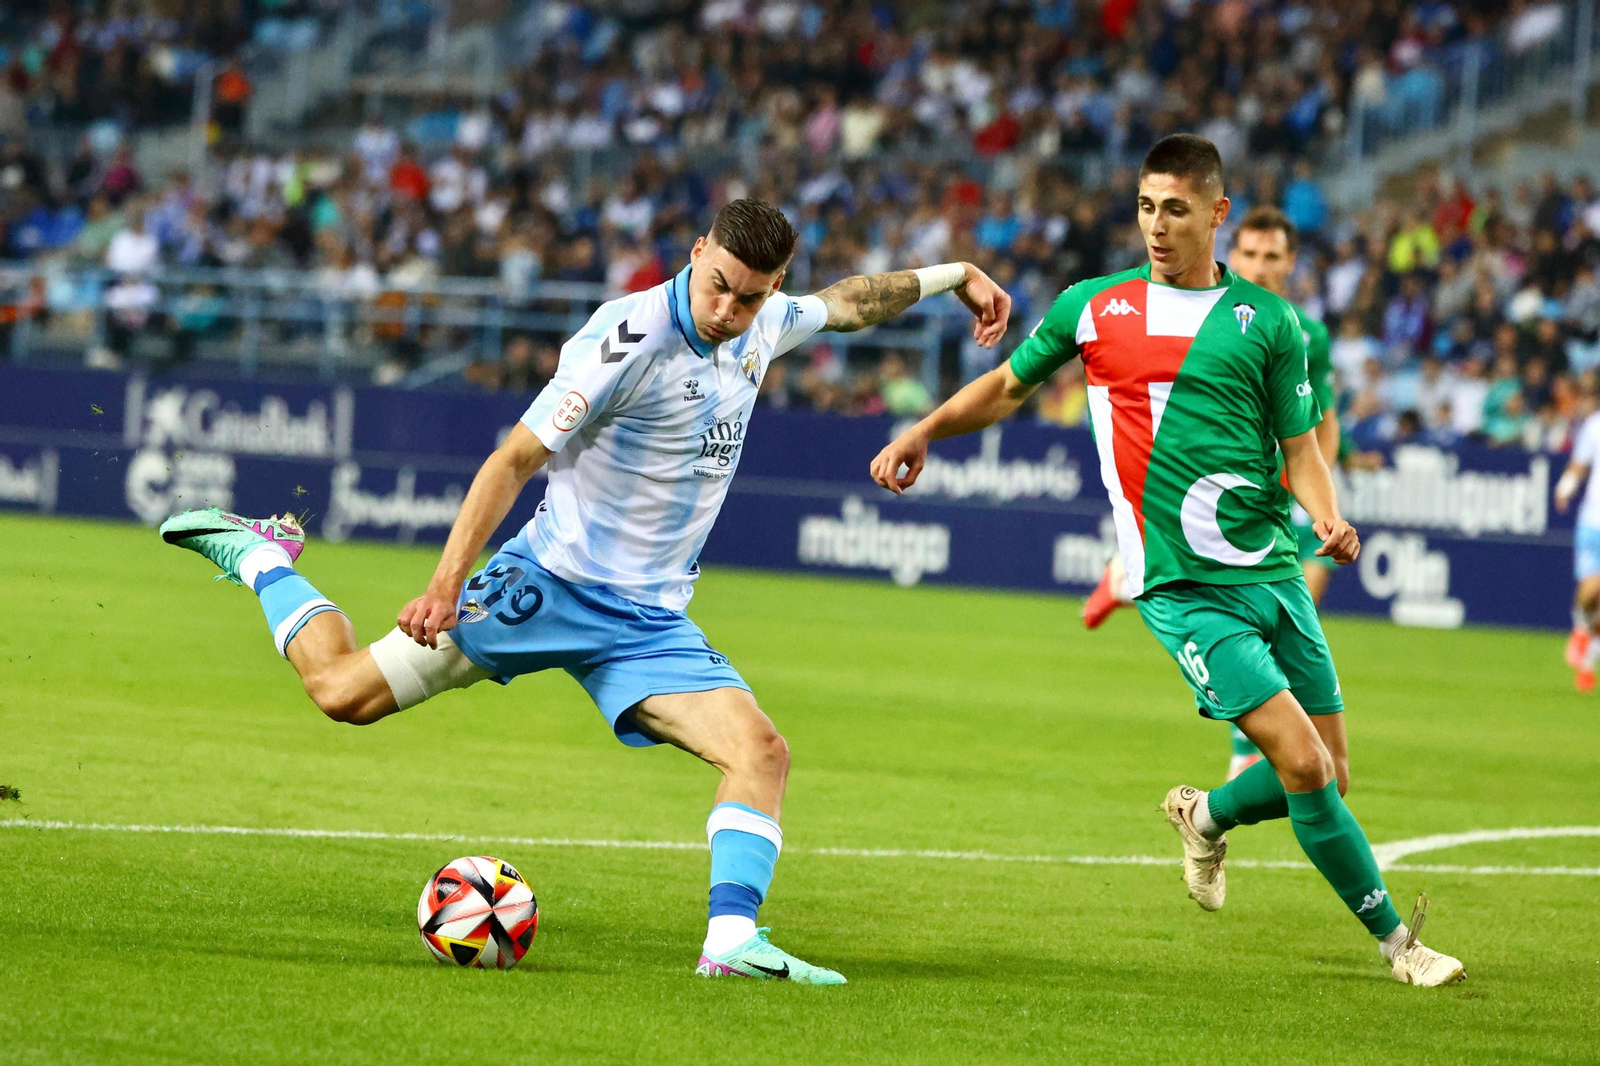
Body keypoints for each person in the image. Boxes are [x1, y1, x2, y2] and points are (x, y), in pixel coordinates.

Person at [159, 199, 1011, 985]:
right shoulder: (626, 337)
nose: (727, 311)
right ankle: (261, 556)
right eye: (718, 287)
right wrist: (445, 585)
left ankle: (730, 944)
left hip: (648, 624)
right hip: (548, 586)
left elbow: (854, 300)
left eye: (751, 298)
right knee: (341, 693)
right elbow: (513, 460)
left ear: (773, 289)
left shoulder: (766, 324)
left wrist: (956, 276)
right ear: (697, 252)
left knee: (761, 753)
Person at [870, 135, 1464, 987]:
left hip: (1273, 575)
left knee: (1333, 772)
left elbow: (1302, 450)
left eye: (1176, 209)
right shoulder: (1093, 306)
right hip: (1183, 588)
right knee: (1301, 765)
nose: (1156, 225)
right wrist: (925, 428)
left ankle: (1206, 815)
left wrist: (1326, 517)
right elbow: (1006, 387)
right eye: (1146, 207)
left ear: (1217, 213)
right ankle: (1401, 948)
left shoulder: (1271, 323)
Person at [1081, 205, 1340, 781]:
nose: (1260, 265)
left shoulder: (1305, 331)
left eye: (1273, 256)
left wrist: (1321, 494)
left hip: (1284, 491)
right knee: (1239, 612)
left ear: (1291, 263)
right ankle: (1247, 740)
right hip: (1222, 495)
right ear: (1232, 250)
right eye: (1249, 253)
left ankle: (1122, 577)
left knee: (1302, 604)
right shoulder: (1205, 316)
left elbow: (1321, 419)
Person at [1555, 407, 1600, 690]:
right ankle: (1580, 629)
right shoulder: (1595, 425)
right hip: (1593, 520)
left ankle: (1587, 665)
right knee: (1590, 591)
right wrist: (1565, 486)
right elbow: (1579, 463)